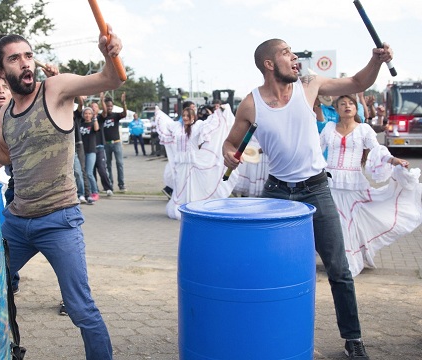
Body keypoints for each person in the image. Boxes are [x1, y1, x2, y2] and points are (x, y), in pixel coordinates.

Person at [0, 28, 124, 359]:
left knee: (80, 308)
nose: (25, 63)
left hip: (58, 220)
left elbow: (111, 79)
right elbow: (7, 154)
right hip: (16, 222)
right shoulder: (6, 114)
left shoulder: (55, 90)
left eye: (28, 55)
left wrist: (110, 53)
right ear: (1, 72)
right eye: (15, 58)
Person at [223, 38, 394, 359]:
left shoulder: (309, 86)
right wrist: (230, 155)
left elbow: (358, 82)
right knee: (270, 270)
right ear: (269, 64)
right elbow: (231, 144)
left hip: (316, 188)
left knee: (339, 270)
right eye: (287, 53)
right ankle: (268, 332)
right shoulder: (250, 104)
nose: (295, 57)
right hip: (277, 193)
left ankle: (353, 338)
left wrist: (377, 61)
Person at [320, 94, 421, 277]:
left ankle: (349, 262)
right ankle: (340, 261)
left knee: (351, 223)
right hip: (330, 183)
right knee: (335, 224)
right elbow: (315, 151)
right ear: (336, 109)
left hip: (354, 184)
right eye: (342, 103)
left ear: (356, 108)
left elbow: (376, 151)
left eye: (351, 103)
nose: (347, 106)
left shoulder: (364, 130)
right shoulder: (328, 128)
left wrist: (393, 160)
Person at [156, 104, 237, 220]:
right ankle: (180, 208)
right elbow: (166, 123)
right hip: (180, 163)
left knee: (191, 186)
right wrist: (158, 112)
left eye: (187, 116)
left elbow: (213, 123)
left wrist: (220, 110)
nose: (185, 118)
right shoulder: (177, 127)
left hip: (192, 163)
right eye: (183, 115)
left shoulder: (198, 126)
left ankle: (191, 208)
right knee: (179, 186)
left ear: (193, 117)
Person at [102, 92, 127, 192]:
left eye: (111, 106)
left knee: (119, 163)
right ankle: (110, 185)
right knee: (108, 165)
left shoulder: (116, 116)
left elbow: (124, 114)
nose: (110, 107)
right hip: (106, 144)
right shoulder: (102, 117)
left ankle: (121, 185)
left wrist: (123, 103)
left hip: (116, 143)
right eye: (108, 106)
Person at [80, 106, 101, 201]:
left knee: (89, 172)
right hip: (82, 151)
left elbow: (97, 129)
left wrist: (95, 117)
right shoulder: (80, 124)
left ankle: (95, 192)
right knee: (83, 173)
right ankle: (86, 192)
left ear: (92, 115)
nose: (87, 115)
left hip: (91, 151)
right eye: (85, 113)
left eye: (89, 113)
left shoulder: (93, 123)